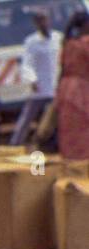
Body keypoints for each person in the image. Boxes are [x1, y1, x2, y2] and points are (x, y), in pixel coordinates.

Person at [11, 10, 62, 146]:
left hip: (55, 85)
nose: (43, 23)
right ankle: (16, 142)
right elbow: (27, 63)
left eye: (45, 19)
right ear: (36, 24)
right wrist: (32, 79)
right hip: (39, 85)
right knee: (28, 116)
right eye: (40, 21)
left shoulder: (58, 38)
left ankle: (53, 144)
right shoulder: (31, 42)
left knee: (54, 118)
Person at [57, 11, 89, 159]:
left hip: (66, 90)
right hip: (82, 91)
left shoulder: (68, 43)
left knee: (69, 132)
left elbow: (62, 70)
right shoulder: (85, 43)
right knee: (83, 132)